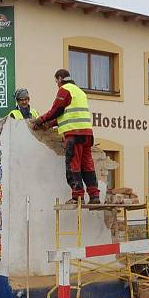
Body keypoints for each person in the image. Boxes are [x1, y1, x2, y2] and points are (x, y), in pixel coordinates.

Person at [32, 68, 100, 204]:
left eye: (56, 81)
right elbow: (66, 114)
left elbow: (56, 110)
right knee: (87, 165)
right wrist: (49, 125)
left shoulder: (65, 89)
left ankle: (78, 197)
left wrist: (40, 120)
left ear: (59, 78)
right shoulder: (80, 92)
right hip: (87, 134)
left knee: (73, 164)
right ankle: (94, 196)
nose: (56, 83)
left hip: (74, 135)